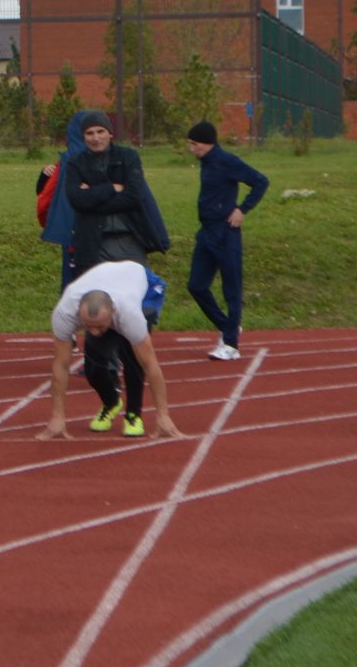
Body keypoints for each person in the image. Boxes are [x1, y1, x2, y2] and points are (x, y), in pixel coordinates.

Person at [39, 259, 182, 440]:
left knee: (131, 354)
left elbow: (150, 365)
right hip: (106, 285)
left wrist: (164, 416)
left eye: (99, 326)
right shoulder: (65, 312)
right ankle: (112, 402)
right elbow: (61, 365)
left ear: (113, 312)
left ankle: (133, 414)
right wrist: (56, 417)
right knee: (93, 368)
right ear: (78, 314)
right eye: (87, 326)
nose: (93, 331)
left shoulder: (129, 313)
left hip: (143, 286)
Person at [184, 120, 270, 361]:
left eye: (194, 144)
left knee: (231, 288)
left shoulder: (227, 161)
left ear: (207, 143)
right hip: (206, 232)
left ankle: (231, 345)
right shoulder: (206, 162)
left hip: (225, 233)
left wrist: (242, 209)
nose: (192, 149)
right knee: (196, 285)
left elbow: (260, 181)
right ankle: (228, 325)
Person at [62, 110, 168, 283]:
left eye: (100, 131)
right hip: (92, 243)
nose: (96, 138)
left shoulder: (128, 157)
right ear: (83, 137)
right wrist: (111, 187)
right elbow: (76, 200)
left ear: (110, 133)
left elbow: (133, 197)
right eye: (90, 133)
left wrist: (91, 195)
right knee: (97, 300)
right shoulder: (75, 163)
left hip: (129, 239)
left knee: (136, 297)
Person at [36, 110, 92, 292]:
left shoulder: (68, 162)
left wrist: (50, 222)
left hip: (73, 234)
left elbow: (45, 199)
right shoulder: (118, 159)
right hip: (109, 237)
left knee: (74, 289)